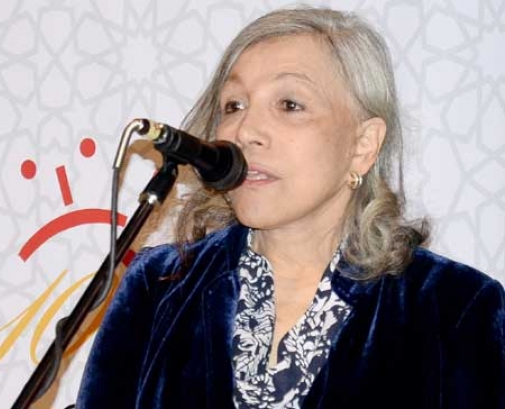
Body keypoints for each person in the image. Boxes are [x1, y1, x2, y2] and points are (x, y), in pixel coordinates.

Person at [76, 7, 505, 409]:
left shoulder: (457, 308)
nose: (246, 131)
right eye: (234, 105)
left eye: (289, 105)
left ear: (362, 145)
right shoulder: (158, 285)